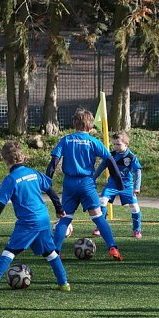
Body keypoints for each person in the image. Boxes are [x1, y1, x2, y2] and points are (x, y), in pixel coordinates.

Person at [0, 140, 70, 294]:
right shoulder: (33, 173)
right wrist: (59, 209)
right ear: (23, 157)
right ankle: (64, 283)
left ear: (5, 160)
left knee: (10, 251)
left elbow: (0, 204)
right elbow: (50, 191)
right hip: (43, 218)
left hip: (28, 222)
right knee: (49, 252)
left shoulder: (11, 179)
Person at [48, 108, 125, 261]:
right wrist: (119, 183)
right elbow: (110, 161)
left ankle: (55, 252)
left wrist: (46, 181)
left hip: (70, 183)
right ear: (90, 127)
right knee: (98, 217)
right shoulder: (93, 141)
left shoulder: (66, 140)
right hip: (87, 184)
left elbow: (54, 162)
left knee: (65, 218)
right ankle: (113, 248)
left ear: (74, 124)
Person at [93, 130, 144, 239]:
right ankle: (101, 228)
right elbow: (101, 167)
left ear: (126, 144)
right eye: (114, 144)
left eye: (118, 144)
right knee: (102, 201)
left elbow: (138, 171)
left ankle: (137, 230)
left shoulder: (131, 157)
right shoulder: (110, 156)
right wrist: (93, 179)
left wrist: (137, 187)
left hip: (127, 186)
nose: (115, 146)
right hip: (112, 184)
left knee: (134, 207)